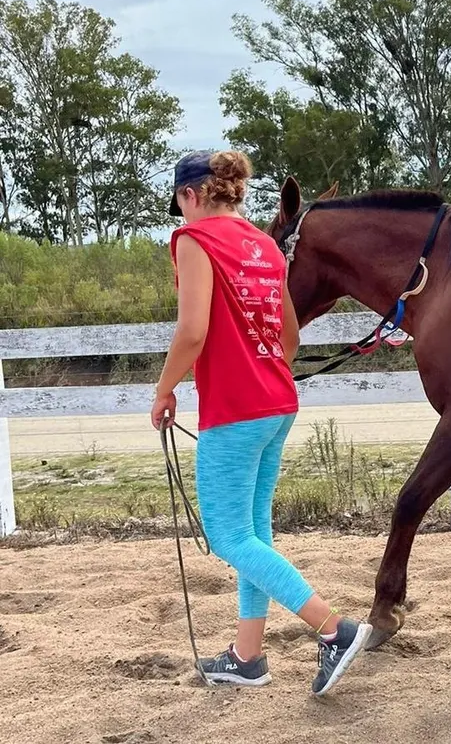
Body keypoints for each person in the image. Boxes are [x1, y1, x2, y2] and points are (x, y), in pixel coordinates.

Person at [151, 148, 372, 694]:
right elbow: (290, 339)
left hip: (236, 408)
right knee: (253, 534)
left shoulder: (194, 241)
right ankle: (247, 657)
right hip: (278, 401)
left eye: (178, 202)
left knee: (227, 536)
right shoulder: (266, 247)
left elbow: (193, 332)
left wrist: (164, 388)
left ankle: (333, 629)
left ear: (190, 195)